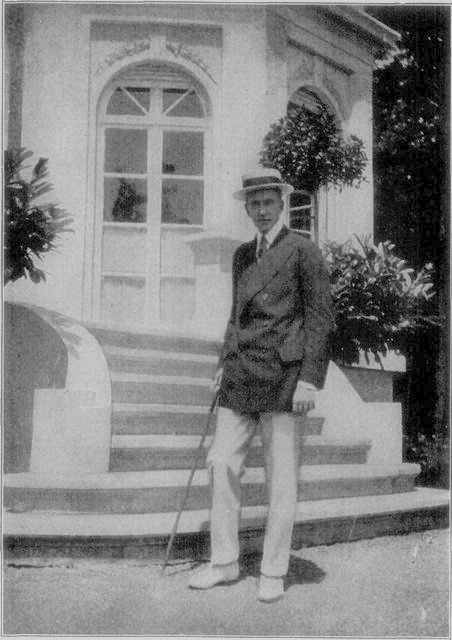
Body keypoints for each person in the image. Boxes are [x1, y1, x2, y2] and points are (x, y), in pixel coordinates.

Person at [188, 168, 334, 602]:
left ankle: (274, 569)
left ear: (281, 203)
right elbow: (236, 317)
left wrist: (310, 380)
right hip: (241, 374)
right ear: (247, 208)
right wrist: (223, 362)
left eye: (269, 202)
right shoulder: (241, 256)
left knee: (281, 479)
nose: (262, 210)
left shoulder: (303, 251)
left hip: (284, 378)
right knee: (221, 464)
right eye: (255, 203)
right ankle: (224, 563)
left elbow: (320, 319)